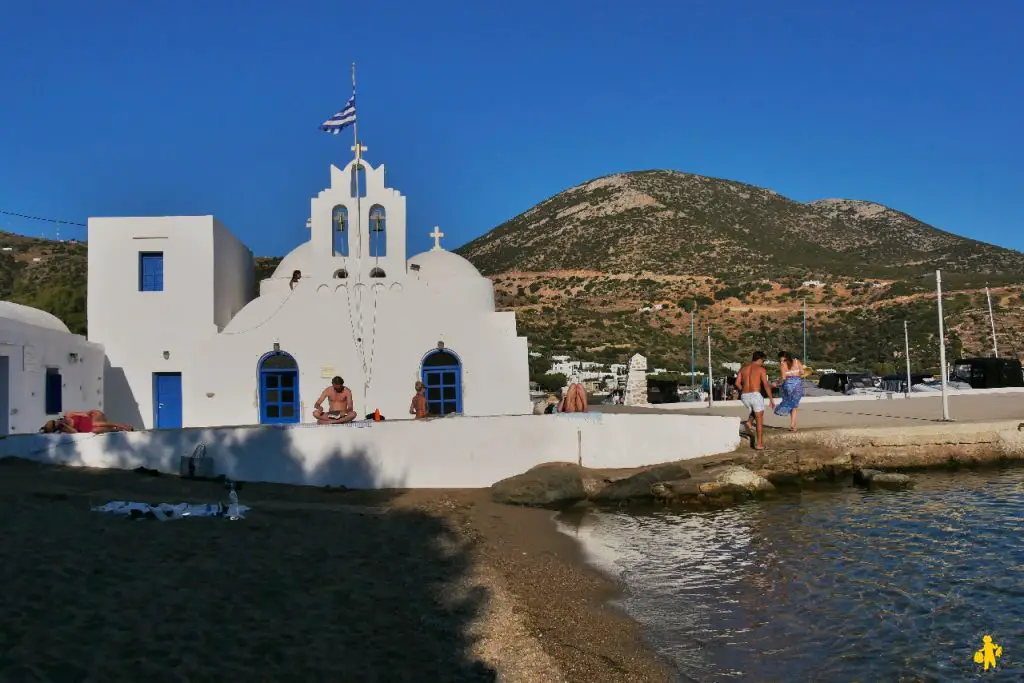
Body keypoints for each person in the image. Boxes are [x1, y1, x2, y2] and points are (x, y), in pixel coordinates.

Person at [734, 351, 775, 450]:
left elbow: (737, 383)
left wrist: (743, 390)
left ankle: (748, 423)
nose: (763, 363)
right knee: (759, 418)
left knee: (754, 411)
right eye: (763, 361)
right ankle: (759, 444)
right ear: (760, 359)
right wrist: (771, 399)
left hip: (744, 396)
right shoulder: (761, 369)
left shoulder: (743, 369)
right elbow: (765, 385)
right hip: (755, 395)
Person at [774, 351, 806, 431]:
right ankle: (792, 424)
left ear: (782, 357)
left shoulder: (782, 365)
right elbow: (802, 372)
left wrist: (777, 382)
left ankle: (793, 424)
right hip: (797, 385)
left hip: (788, 385)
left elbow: (783, 377)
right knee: (795, 405)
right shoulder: (796, 361)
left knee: (792, 404)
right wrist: (797, 372)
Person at [40, 410, 134, 434]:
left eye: (55, 422)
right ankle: (122, 429)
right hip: (87, 429)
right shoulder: (64, 428)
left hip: (90, 422)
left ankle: (126, 427)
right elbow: (75, 432)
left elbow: (84, 414)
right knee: (109, 429)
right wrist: (66, 426)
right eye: (55, 425)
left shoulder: (68, 414)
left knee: (100, 424)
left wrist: (91, 413)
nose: (57, 423)